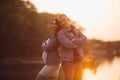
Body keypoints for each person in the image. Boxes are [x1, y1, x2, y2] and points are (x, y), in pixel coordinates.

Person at [57, 14, 87, 80]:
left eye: (64, 20)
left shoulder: (76, 29)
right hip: (68, 62)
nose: (62, 23)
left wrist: (75, 40)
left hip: (79, 61)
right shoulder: (60, 33)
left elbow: (85, 39)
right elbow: (69, 45)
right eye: (60, 22)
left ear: (68, 19)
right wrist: (79, 43)